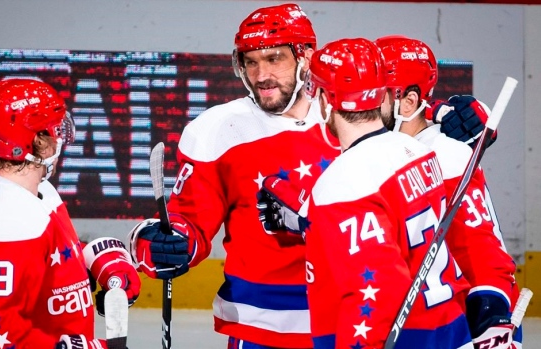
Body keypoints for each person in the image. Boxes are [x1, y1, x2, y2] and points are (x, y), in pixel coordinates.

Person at [126, 3, 496, 349]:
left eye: (274, 59)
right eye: (251, 62)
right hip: (260, 328)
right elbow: (187, 220)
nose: (261, 75)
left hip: (356, 319)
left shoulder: (352, 111)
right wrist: (163, 243)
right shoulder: (215, 130)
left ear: (305, 58)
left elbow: (421, 122)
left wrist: (466, 119)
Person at [0, 78, 141, 349]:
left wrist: (93, 258)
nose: (59, 137)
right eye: (54, 128)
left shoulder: (29, 193)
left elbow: (37, 261)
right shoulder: (5, 218)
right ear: (35, 140)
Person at [300, 37, 472, 348]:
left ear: (326, 101)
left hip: (409, 340)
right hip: (451, 330)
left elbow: (377, 287)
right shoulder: (416, 150)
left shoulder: (341, 183)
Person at [375, 35, 521, 349]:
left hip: (467, 326)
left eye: (377, 93)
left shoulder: (446, 154)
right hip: (413, 320)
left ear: (409, 101)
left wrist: (490, 314)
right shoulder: (382, 147)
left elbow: (478, 247)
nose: (364, 102)